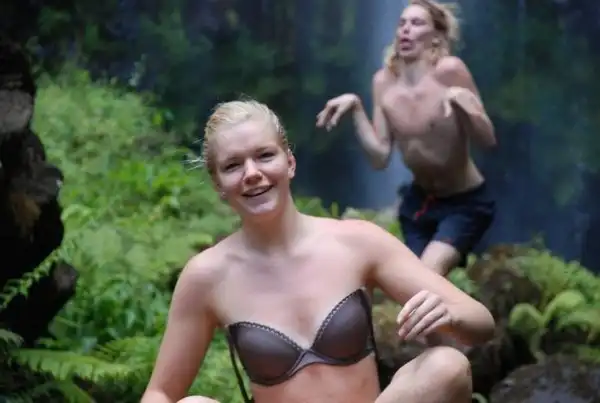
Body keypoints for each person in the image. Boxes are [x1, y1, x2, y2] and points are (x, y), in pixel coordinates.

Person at [140, 98, 495, 403]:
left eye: (264, 156)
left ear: (289, 163)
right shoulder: (207, 276)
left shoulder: (356, 241)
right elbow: (160, 392)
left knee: (446, 365)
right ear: (219, 184)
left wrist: (449, 314)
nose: (251, 173)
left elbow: (481, 322)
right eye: (233, 165)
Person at [316, 0, 497, 277]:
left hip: (465, 202)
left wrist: (466, 107)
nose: (406, 30)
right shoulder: (383, 82)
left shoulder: (450, 71)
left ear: (436, 36)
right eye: (402, 23)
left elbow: (488, 140)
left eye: (416, 23)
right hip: (419, 204)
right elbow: (380, 157)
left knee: (426, 277)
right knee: (410, 287)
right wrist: (356, 108)